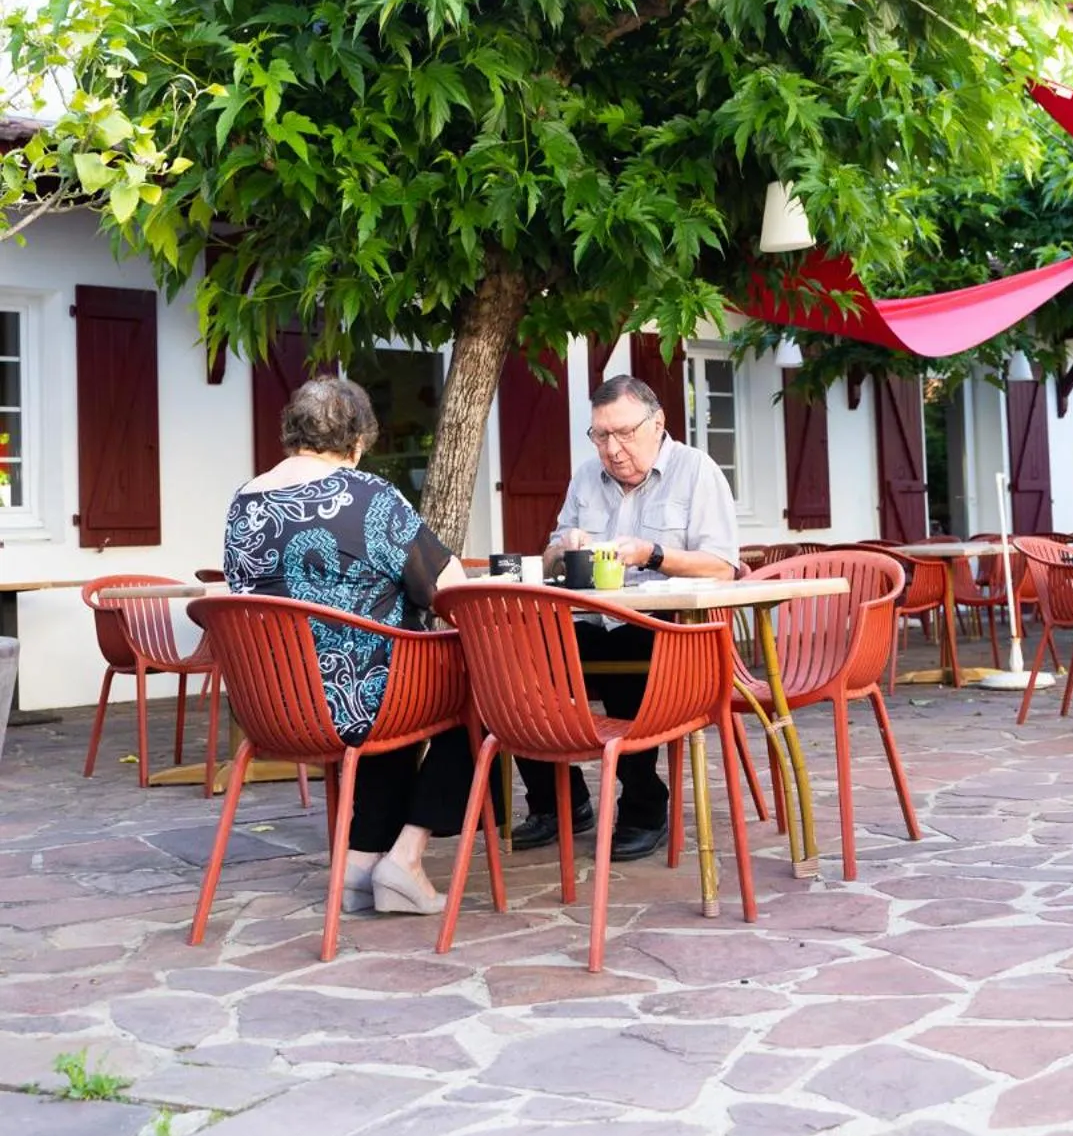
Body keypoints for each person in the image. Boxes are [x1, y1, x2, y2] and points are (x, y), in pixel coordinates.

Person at [222, 375, 476, 917]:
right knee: (480, 690)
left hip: (272, 706)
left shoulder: (243, 503)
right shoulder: (367, 496)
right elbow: (451, 587)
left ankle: (360, 862)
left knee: (391, 676)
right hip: (357, 705)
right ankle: (405, 856)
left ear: (292, 434)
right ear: (357, 442)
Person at [511, 373, 739, 861]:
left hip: (673, 632)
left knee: (632, 651)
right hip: (593, 621)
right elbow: (550, 552)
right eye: (600, 436)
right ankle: (560, 802)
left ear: (657, 424)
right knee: (515, 663)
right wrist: (561, 550)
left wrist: (651, 554)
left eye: (624, 433)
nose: (612, 449)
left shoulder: (697, 472)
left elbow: (722, 565)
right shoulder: (584, 479)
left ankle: (643, 807)